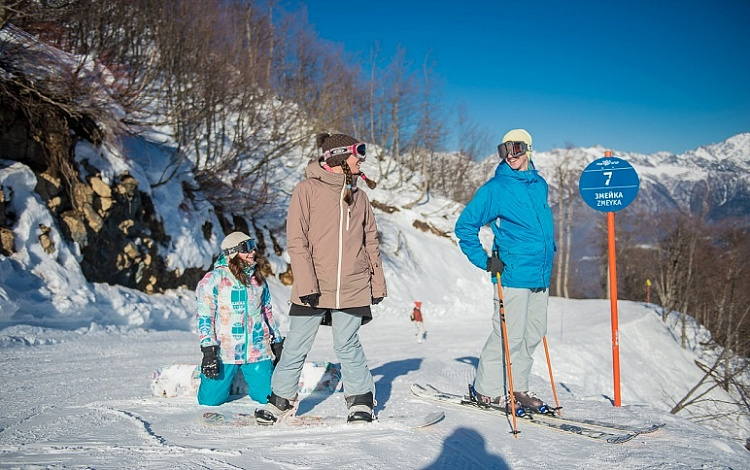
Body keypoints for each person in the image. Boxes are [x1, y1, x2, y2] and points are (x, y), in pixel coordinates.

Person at [255, 132, 387, 425]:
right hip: (312, 283)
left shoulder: (360, 197)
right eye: (356, 155)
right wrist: (306, 283)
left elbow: (371, 243)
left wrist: (377, 284)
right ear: (339, 158)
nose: (360, 160)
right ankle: (280, 399)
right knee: (296, 344)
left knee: (347, 344)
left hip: (353, 285)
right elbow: (297, 241)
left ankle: (361, 400)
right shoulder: (306, 190)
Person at [454, 128, 555, 414]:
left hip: (540, 273)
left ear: (529, 149)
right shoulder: (495, 188)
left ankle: (517, 387)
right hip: (512, 272)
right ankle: (486, 391)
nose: (511, 155)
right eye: (504, 150)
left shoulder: (540, 184)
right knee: (508, 335)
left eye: (517, 148)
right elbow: (465, 227)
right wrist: (485, 260)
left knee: (534, 332)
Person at [195, 231, 284, 406]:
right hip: (224, 351)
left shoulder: (258, 280)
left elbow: (267, 312)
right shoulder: (214, 279)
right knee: (209, 401)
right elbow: (205, 317)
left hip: (256, 350)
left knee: (267, 398)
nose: (252, 252)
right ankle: (203, 376)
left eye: (252, 246)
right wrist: (208, 350)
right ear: (232, 253)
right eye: (246, 248)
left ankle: (253, 377)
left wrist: (277, 342)